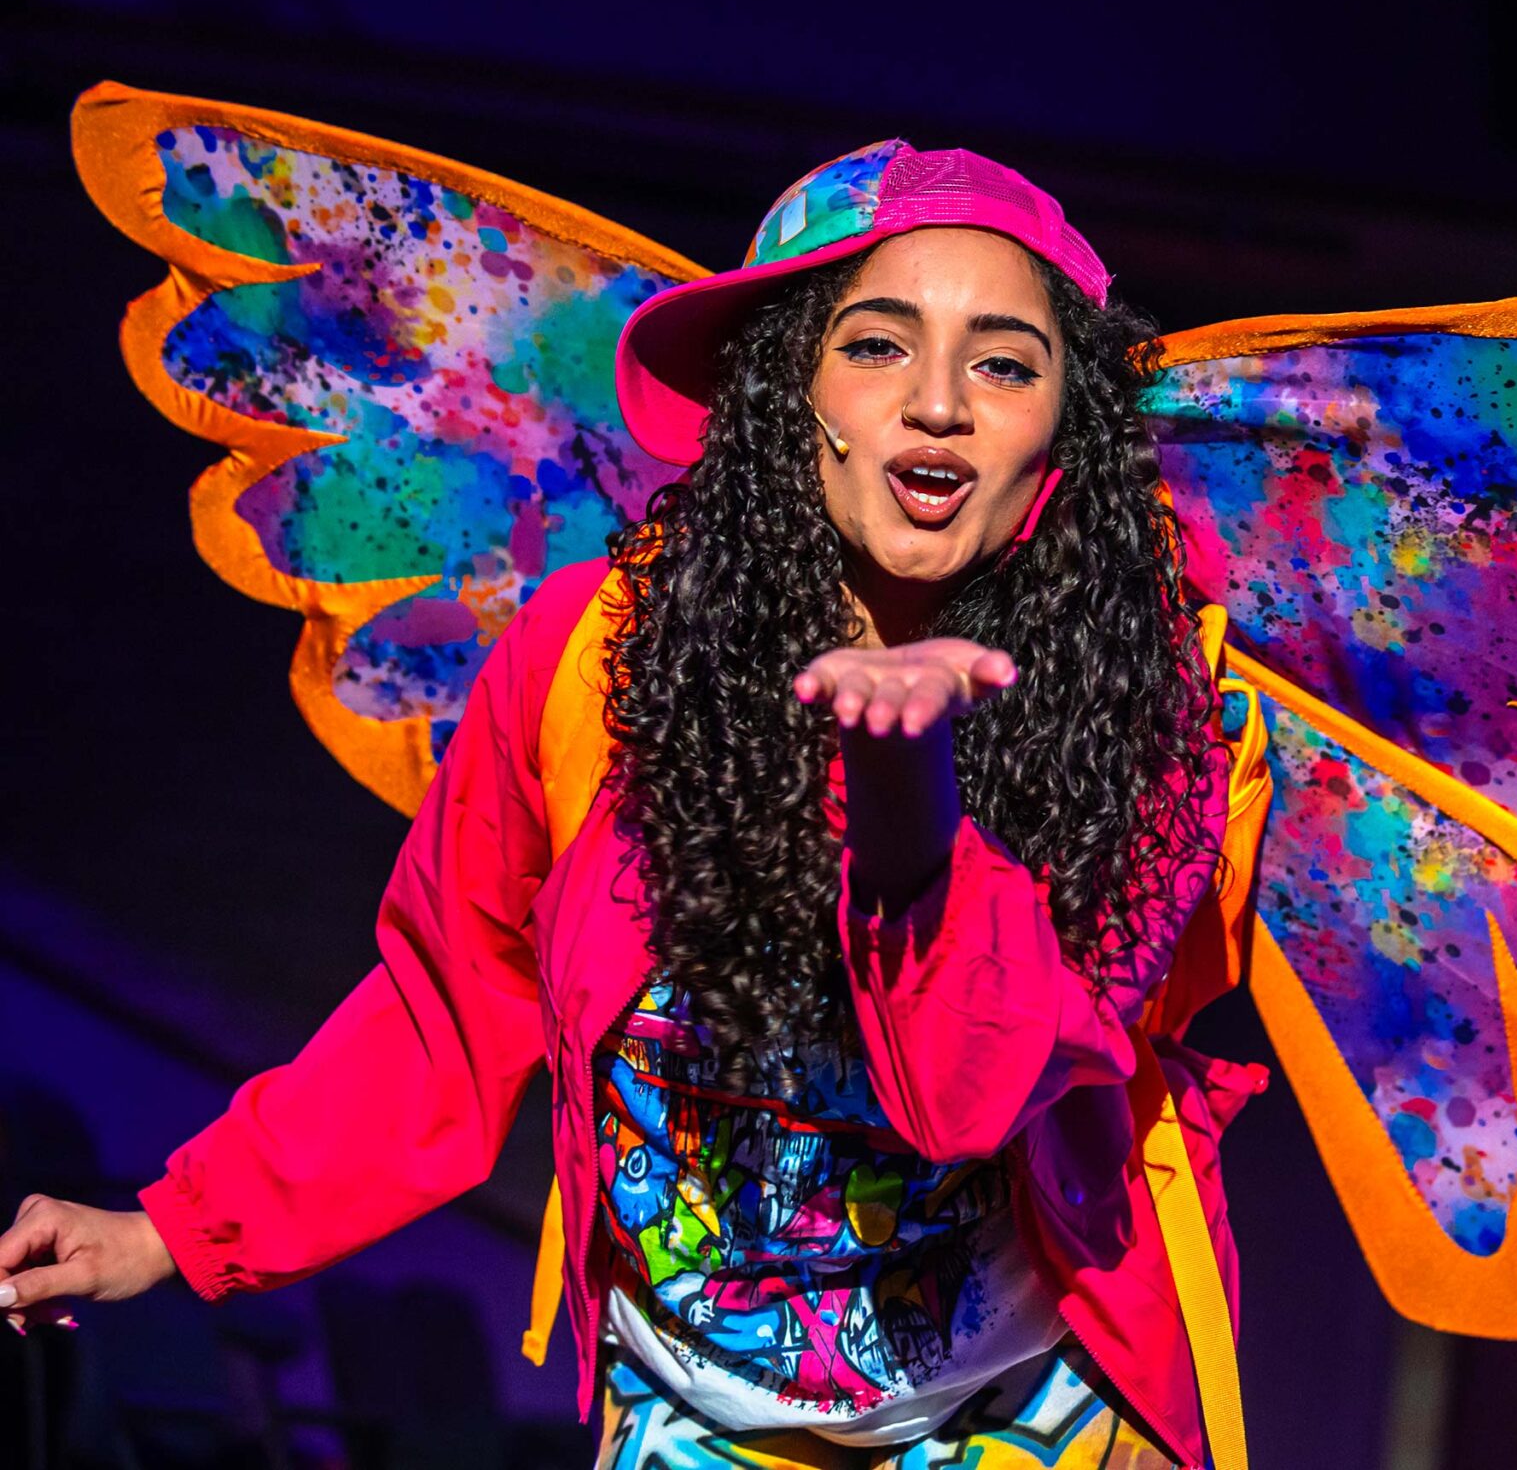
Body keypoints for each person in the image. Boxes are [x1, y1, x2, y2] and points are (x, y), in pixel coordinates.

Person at [0, 142, 1261, 1469]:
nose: (940, 401)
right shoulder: (589, 662)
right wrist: (176, 1230)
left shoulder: (1155, 718)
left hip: (1032, 1414)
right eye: (878, 345)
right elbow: (447, 1011)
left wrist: (909, 791)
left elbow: (967, 1092)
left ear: (1066, 425)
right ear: (788, 387)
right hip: (694, 1422)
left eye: (1004, 362)